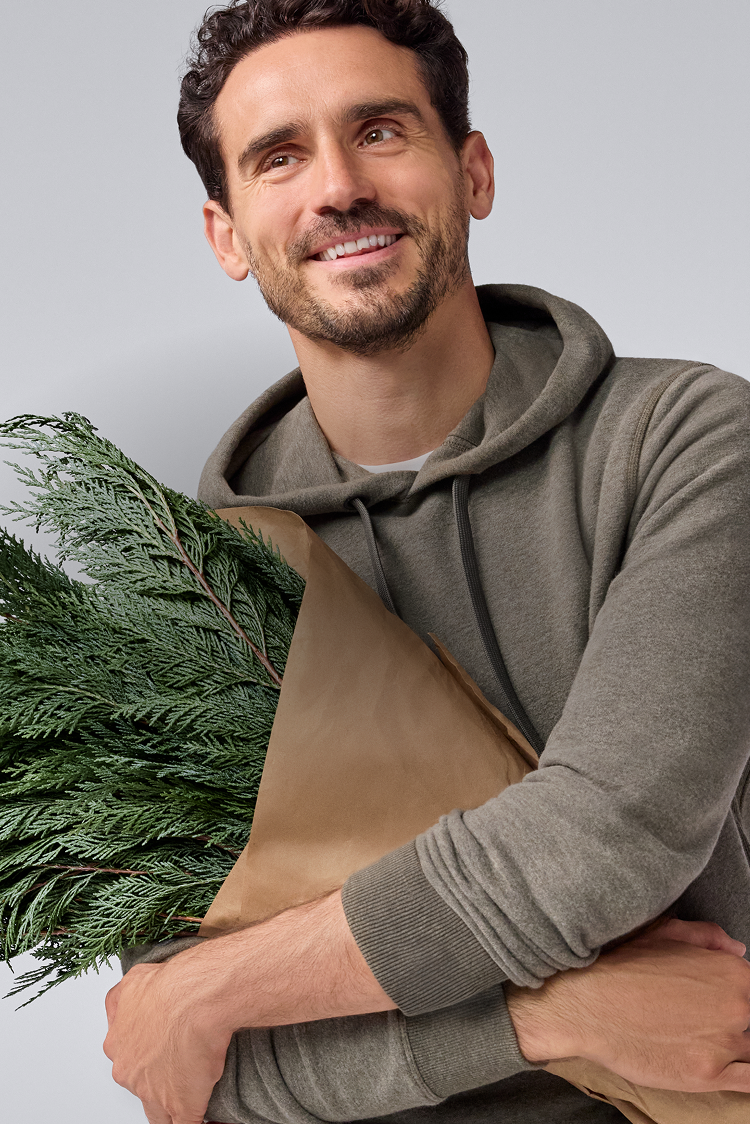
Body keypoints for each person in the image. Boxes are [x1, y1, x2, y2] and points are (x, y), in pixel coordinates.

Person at [103, 2, 750, 1123]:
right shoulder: (202, 586)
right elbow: (197, 1073)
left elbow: (608, 835)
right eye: (279, 156)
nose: (338, 185)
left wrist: (216, 984)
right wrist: (538, 1019)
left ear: (473, 170)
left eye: (383, 130)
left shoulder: (684, 438)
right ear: (226, 233)